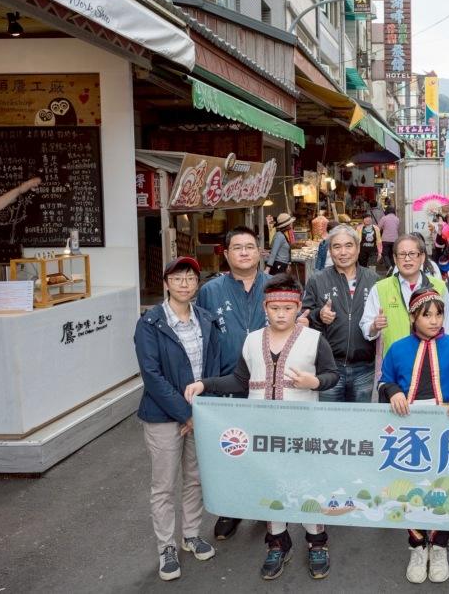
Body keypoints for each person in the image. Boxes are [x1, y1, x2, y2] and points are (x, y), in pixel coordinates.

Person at [185, 274, 339, 581]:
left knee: (306, 485)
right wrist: (206, 384)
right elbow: (239, 380)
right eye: (274, 308)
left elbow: (332, 375)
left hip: (302, 432)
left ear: (298, 307)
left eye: (288, 308)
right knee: (270, 486)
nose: (281, 314)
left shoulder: (314, 339)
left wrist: (315, 382)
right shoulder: (252, 340)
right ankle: (277, 543)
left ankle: (316, 542)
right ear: (264, 308)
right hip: (263, 433)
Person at [378, 289, 449, 584]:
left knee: (446, 486)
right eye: (427, 315)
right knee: (410, 486)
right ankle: (417, 545)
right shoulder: (398, 348)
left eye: (439, 314)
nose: (434, 321)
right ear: (412, 317)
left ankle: (441, 545)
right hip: (409, 431)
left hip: (446, 429)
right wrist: (393, 391)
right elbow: (385, 379)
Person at [134, 257, 220, 581]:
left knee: (195, 478)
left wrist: (201, 411)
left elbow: (213, 368)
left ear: (197, 284)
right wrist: (185, 414)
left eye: (191, 278)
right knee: (164, 485)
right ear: (166, 283)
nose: (185, 284)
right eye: (178, 278)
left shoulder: (206, 319)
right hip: (162, 416)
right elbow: (152, 375)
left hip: (199, 413)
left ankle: (191, 534)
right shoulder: (150, 323)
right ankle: (166, 547)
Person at [196, 226, 268, 541]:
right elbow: (202, 338)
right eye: (237, 247)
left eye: (249, 247)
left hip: (268, 382)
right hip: (227, 383)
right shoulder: (210, 291)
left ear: (259, 252)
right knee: (232, 447)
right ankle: (231, 508)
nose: (244, 252)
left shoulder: (275, 285)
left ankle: (266, 505)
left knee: (265, 446)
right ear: (226, 254)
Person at [301, 225, 379, 403]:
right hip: (328, 367)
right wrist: (318, 315)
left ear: (358, 248)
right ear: (330, 251)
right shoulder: (317, 279)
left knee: (361, 418)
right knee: (328, 419)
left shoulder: (373, 280)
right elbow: (303, 317)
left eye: (348, 246)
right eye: (337, 247)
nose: (343, 252)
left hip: (364, 368)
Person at [360, 234, 449, 368]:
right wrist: (374, 326)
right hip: (394, 365)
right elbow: (366, 327)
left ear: (422, 257)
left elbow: (447, 327)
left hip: (431, 363)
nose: (407, 259)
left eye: (412, 254)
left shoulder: (439, 287)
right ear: (394, 258)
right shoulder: (380, 288)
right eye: (402, 254)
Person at [378, 206, 400, 270]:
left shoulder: (384, 218)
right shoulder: (397, 219)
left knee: (385, 253)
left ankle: (389, 266)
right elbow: (397, 228)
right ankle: (393, 267)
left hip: (385, 239)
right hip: (395, 239)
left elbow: (378, 228)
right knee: (392, 254)